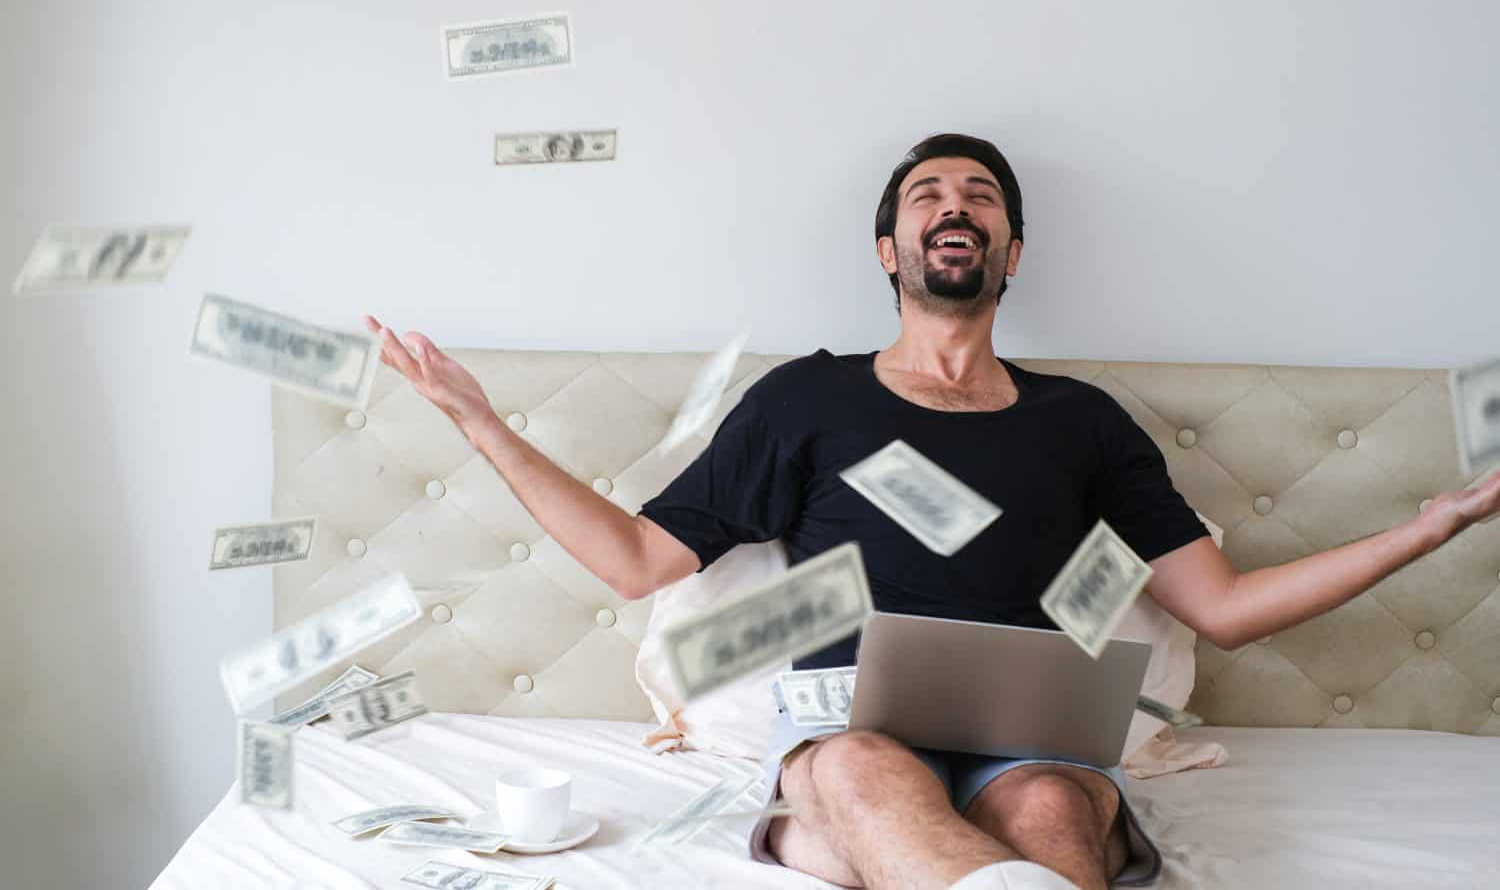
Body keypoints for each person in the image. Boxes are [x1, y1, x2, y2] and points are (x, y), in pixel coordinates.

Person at [364, 132, 1500, 890]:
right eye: (927, 196)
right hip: (848, 724)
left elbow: (1228, 605)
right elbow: (632, 559)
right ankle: (830, 823)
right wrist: (481, 423)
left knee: (1056, 810)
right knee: (863, 772)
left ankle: (828, 852)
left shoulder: (1085, 422)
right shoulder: (806, 397)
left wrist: (1433, 522)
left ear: (1010, 252)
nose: (954, 208)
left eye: (980, 198)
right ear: (889, 248)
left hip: (1032, 736)